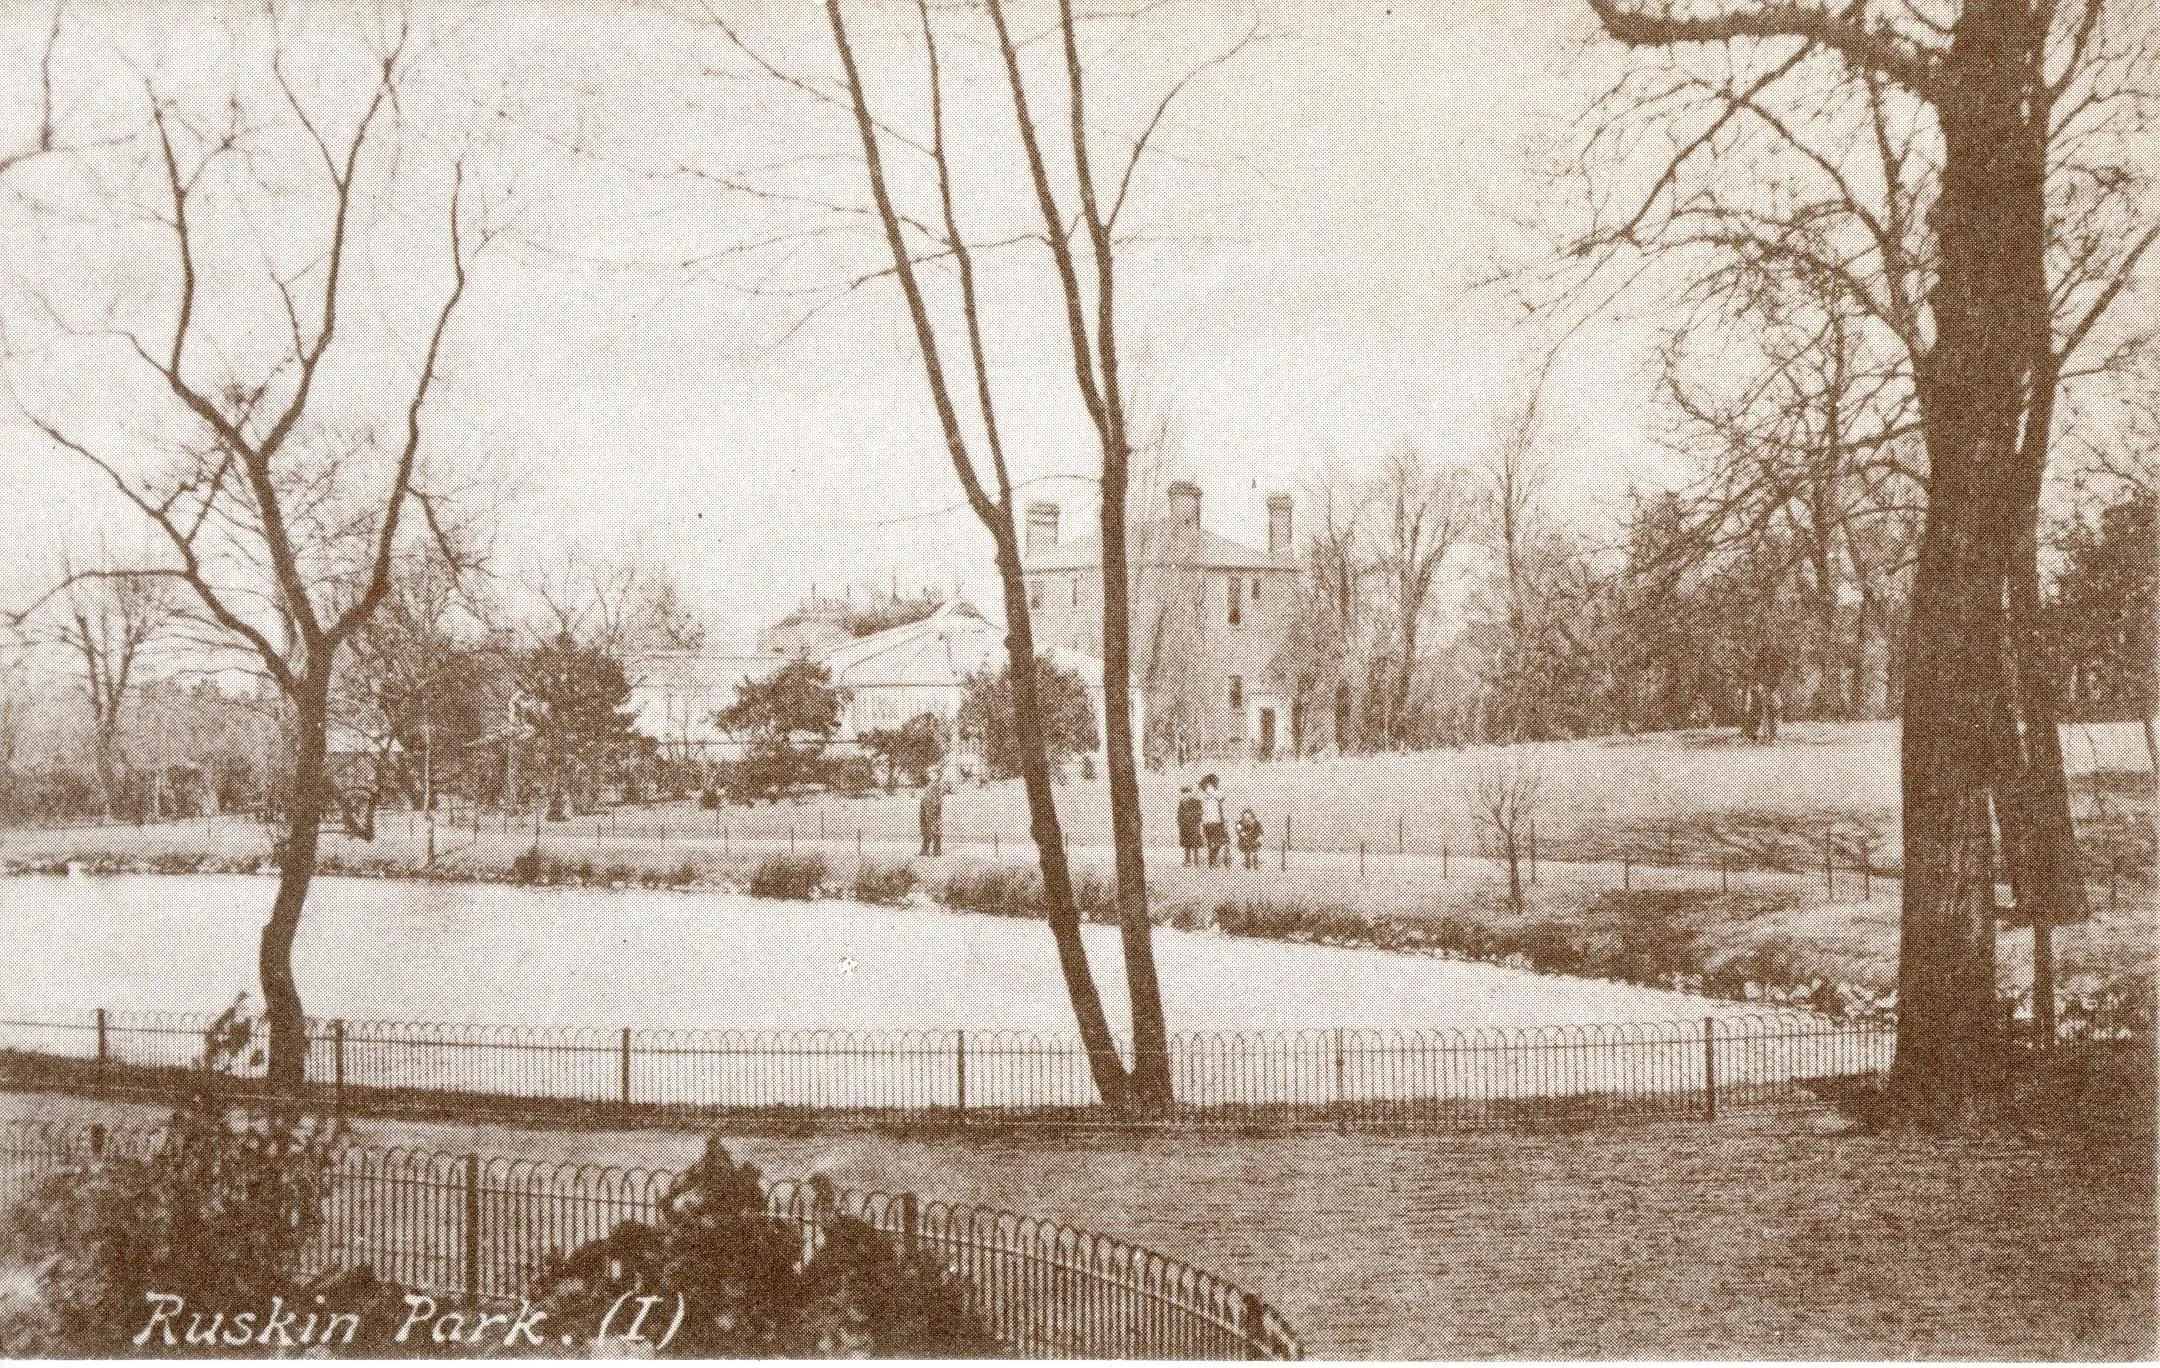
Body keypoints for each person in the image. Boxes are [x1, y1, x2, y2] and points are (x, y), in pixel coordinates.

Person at [1198, 774, 1229, 869]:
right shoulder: (1211, 791)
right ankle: (1212, 860)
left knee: (1212, 841)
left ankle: (1212, 860)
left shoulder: (1203, 793)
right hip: (1214, 821)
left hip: (1208, 821)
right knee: (1217, 841)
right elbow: (1222, 796)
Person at [918, 769, 945, 856]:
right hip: (925, 808)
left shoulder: (937, 785)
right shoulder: (930, 784)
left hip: (932, 809)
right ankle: (925, 849)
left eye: (932, 773)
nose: (930, 775)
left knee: (934, 827)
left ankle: (937, 850)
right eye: (929, 773)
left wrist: (935, 809)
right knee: (925, 827)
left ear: (937, 774)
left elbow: (939, 799)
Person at [1176, 785, 1203, 867]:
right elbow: (1179, 815)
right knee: (1186, 844)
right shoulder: (1181, 803)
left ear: (1190, 793)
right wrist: (1180, 823)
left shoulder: (1196, 802)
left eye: (1187, 793)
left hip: (1194, 825)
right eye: (1183, 793)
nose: (1185, 795)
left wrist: (1195, 819)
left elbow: (1200, 813)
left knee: (1195, 844)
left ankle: (1196, 861)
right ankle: (1187, 861)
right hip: (1184, 826)